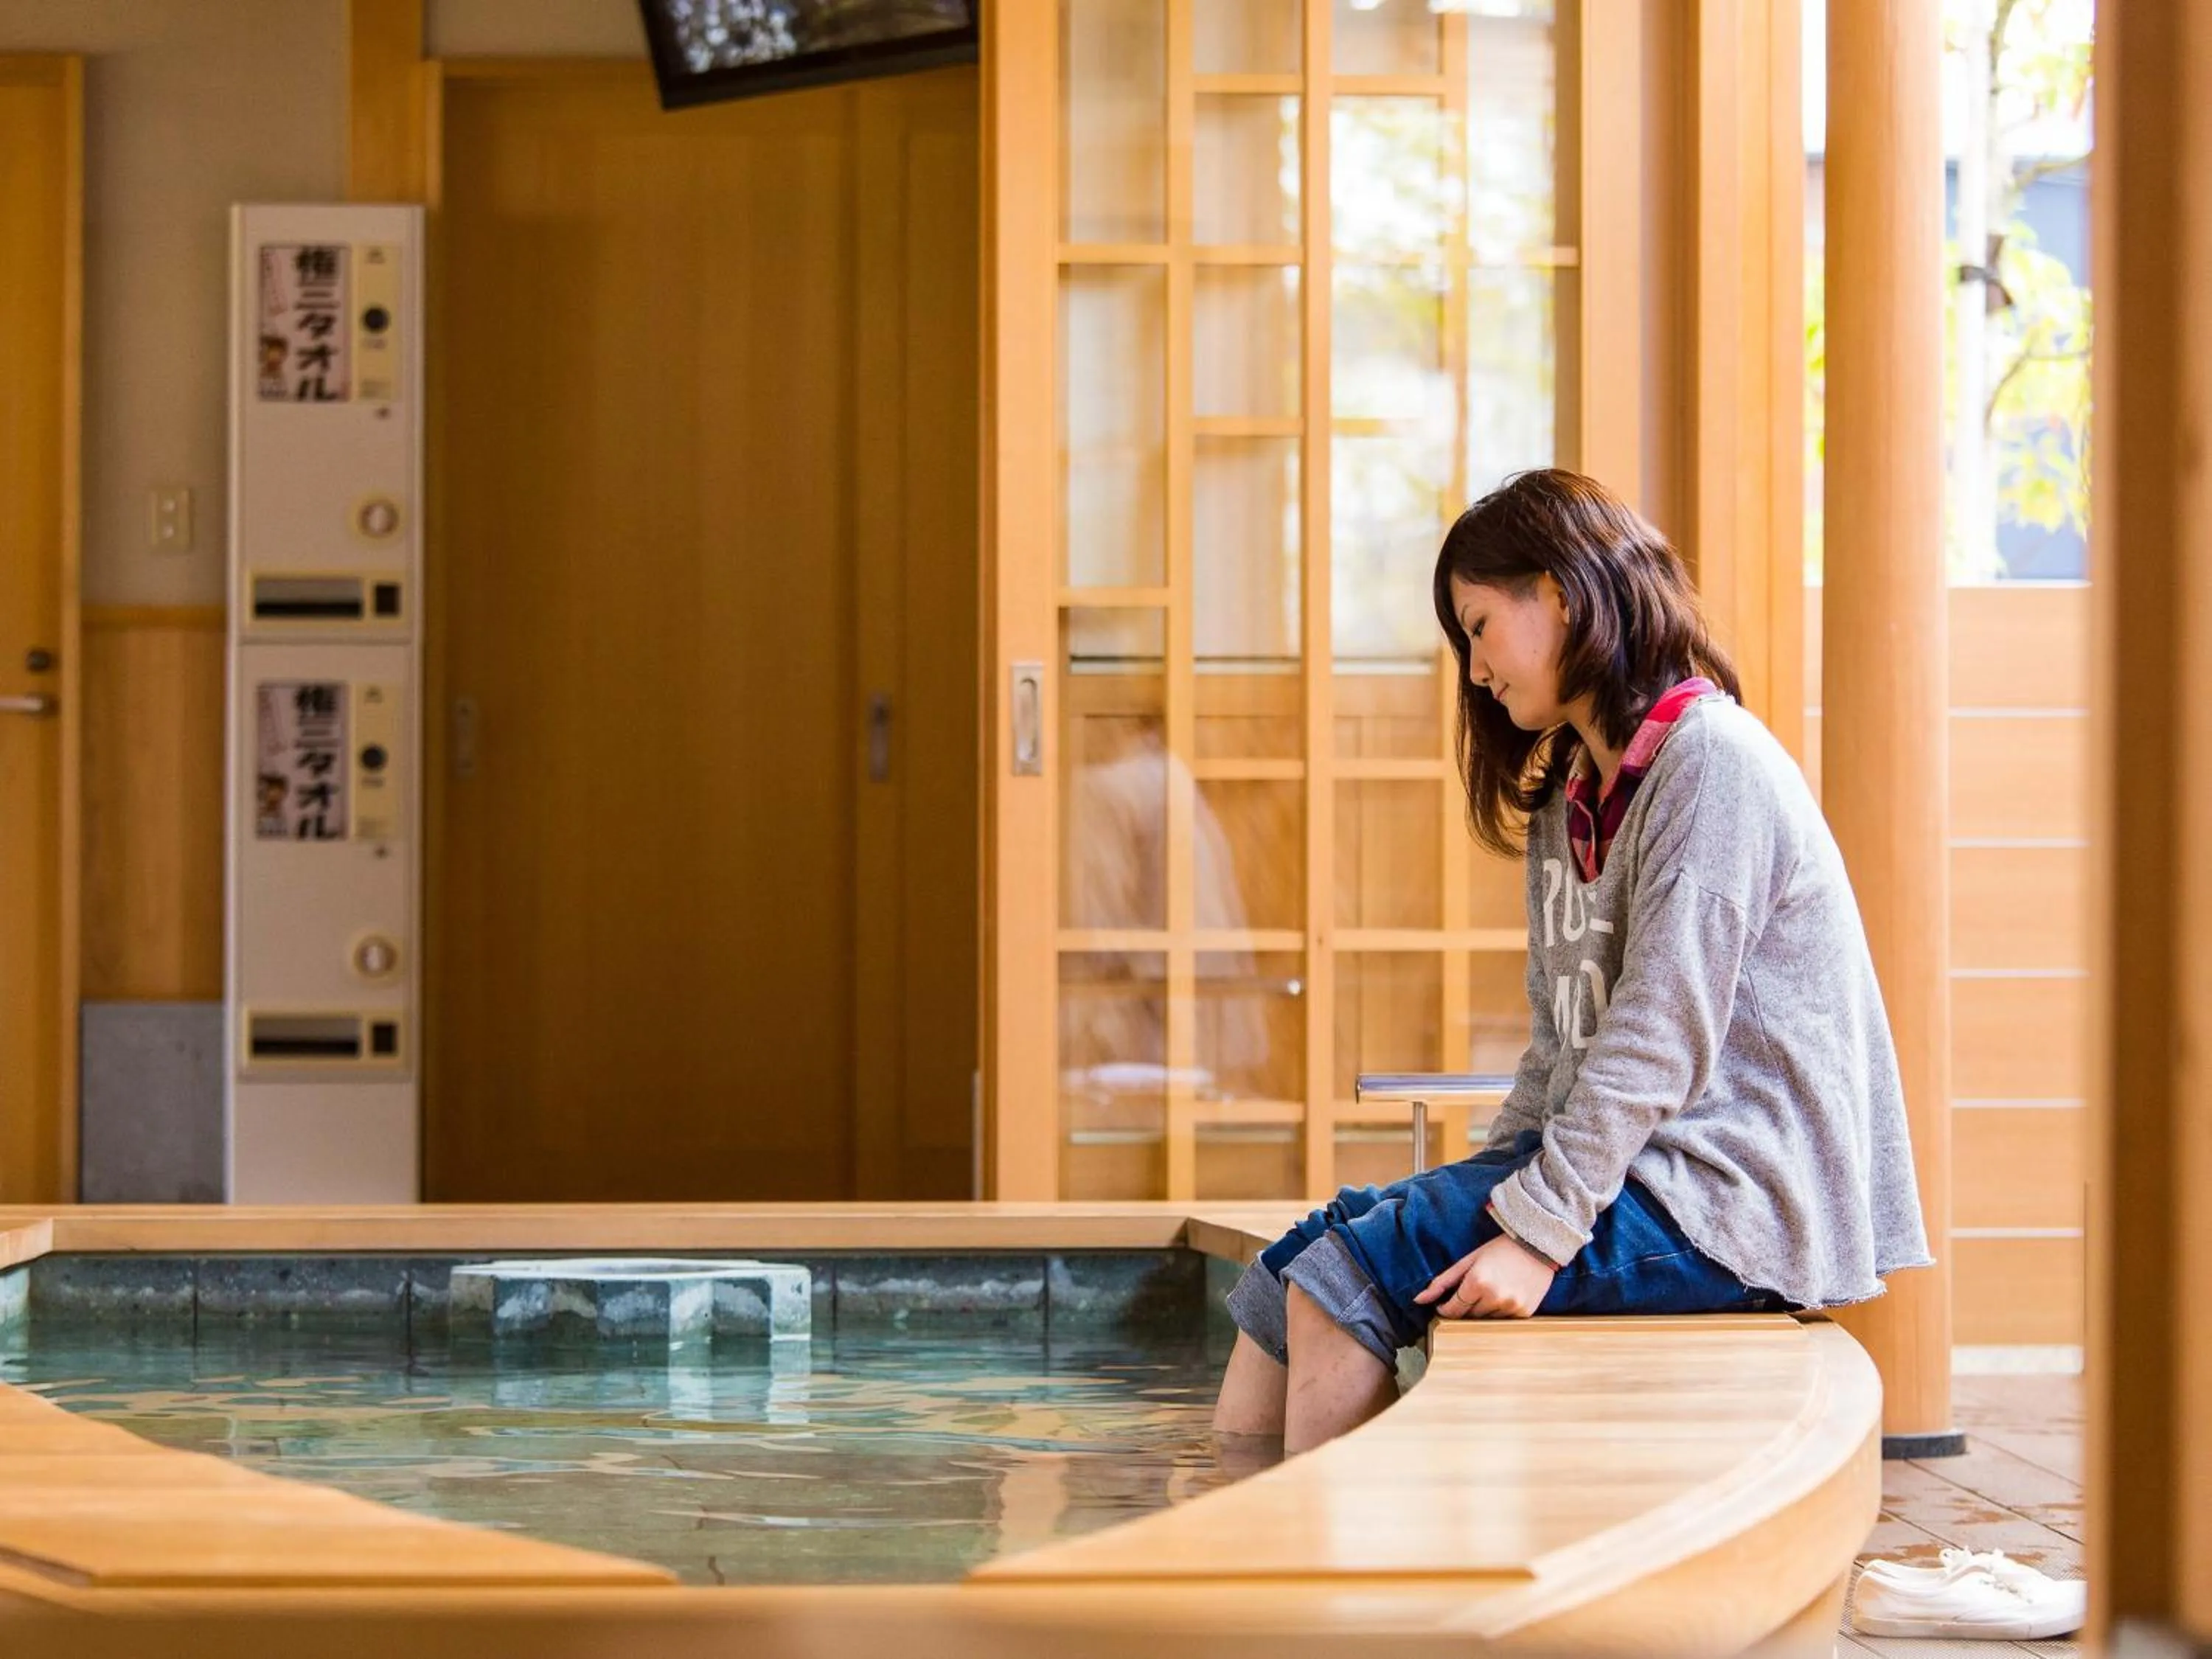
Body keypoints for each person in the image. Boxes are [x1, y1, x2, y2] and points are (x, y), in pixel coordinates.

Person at [1212, 467, 1932, 1455]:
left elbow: (1658, 1035)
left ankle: (1322, 1590)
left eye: (1477, 626)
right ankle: (1217, 1549)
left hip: (1727, 1193)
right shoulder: (1573, 795)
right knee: (1296, 1262)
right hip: (1643, 1173)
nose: (1475, 670)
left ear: (1556, 594)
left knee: (1351, 1278)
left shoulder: (1713, 763)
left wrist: (1538, 1228)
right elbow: (1562, 1042)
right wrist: (1486, 1183)